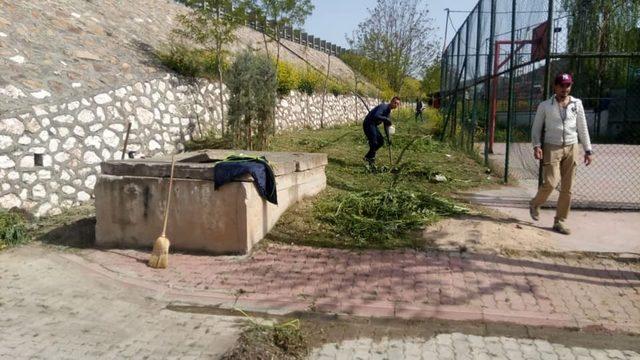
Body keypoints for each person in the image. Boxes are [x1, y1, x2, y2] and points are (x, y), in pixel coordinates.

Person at [529, 73, 593, 235]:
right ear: (555, 87)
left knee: (568, 187)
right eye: (562, 85)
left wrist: (588, 149)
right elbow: (536, 129)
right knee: (550, 182)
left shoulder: (576, 104)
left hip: (572, 147)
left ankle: (560, 221)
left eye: (568, 85)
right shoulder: (545, 105)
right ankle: (535, 203)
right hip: (552, 147)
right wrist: (537, 145)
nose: (565, 89)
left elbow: (582, 127)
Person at [363, 96, 401, 170]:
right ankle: (371, 162)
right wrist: (386, 119)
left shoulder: (388, 111)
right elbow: (376, 115)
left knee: (381, 141)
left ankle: (368, 156)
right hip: (368, 124)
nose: (396, 105)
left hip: (373, 125)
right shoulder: (383, 107)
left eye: (397, 104)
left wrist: (388, 137)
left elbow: (386, 125)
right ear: (391, 101)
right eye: (395, 103)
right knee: (374, 142)